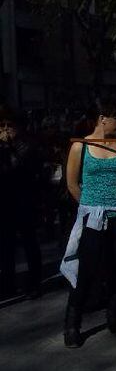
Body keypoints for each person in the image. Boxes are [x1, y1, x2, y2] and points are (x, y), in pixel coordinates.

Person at [60, 98, 116, 347]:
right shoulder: (80, 147)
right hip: (93, 217)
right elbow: (71, 183)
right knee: (86, 269)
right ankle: (72, 322)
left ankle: (114, 315)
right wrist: (89, 205)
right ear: (104, 118)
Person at [0, 107, 43, 300]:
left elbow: (20, 169)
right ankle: (7, 283)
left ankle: (34, 282)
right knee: (6, 245)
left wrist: (10, 147)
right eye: (2, 126)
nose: (6, 129)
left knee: (29, 242)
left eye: (10, 125)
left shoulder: (27, 145)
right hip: (5, 201)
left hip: (25, 200)